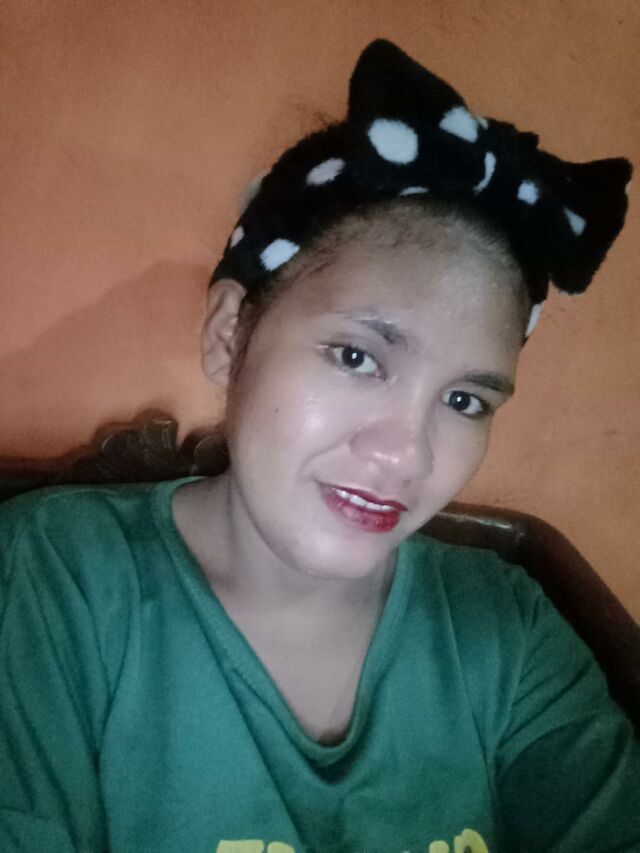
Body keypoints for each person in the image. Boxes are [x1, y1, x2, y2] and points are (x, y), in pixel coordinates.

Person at [0, 39, 638, 853]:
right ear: (230, 336)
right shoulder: (60, 577)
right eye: (356, 357)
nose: (406, 455)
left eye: (464, 400)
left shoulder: (505, 632)